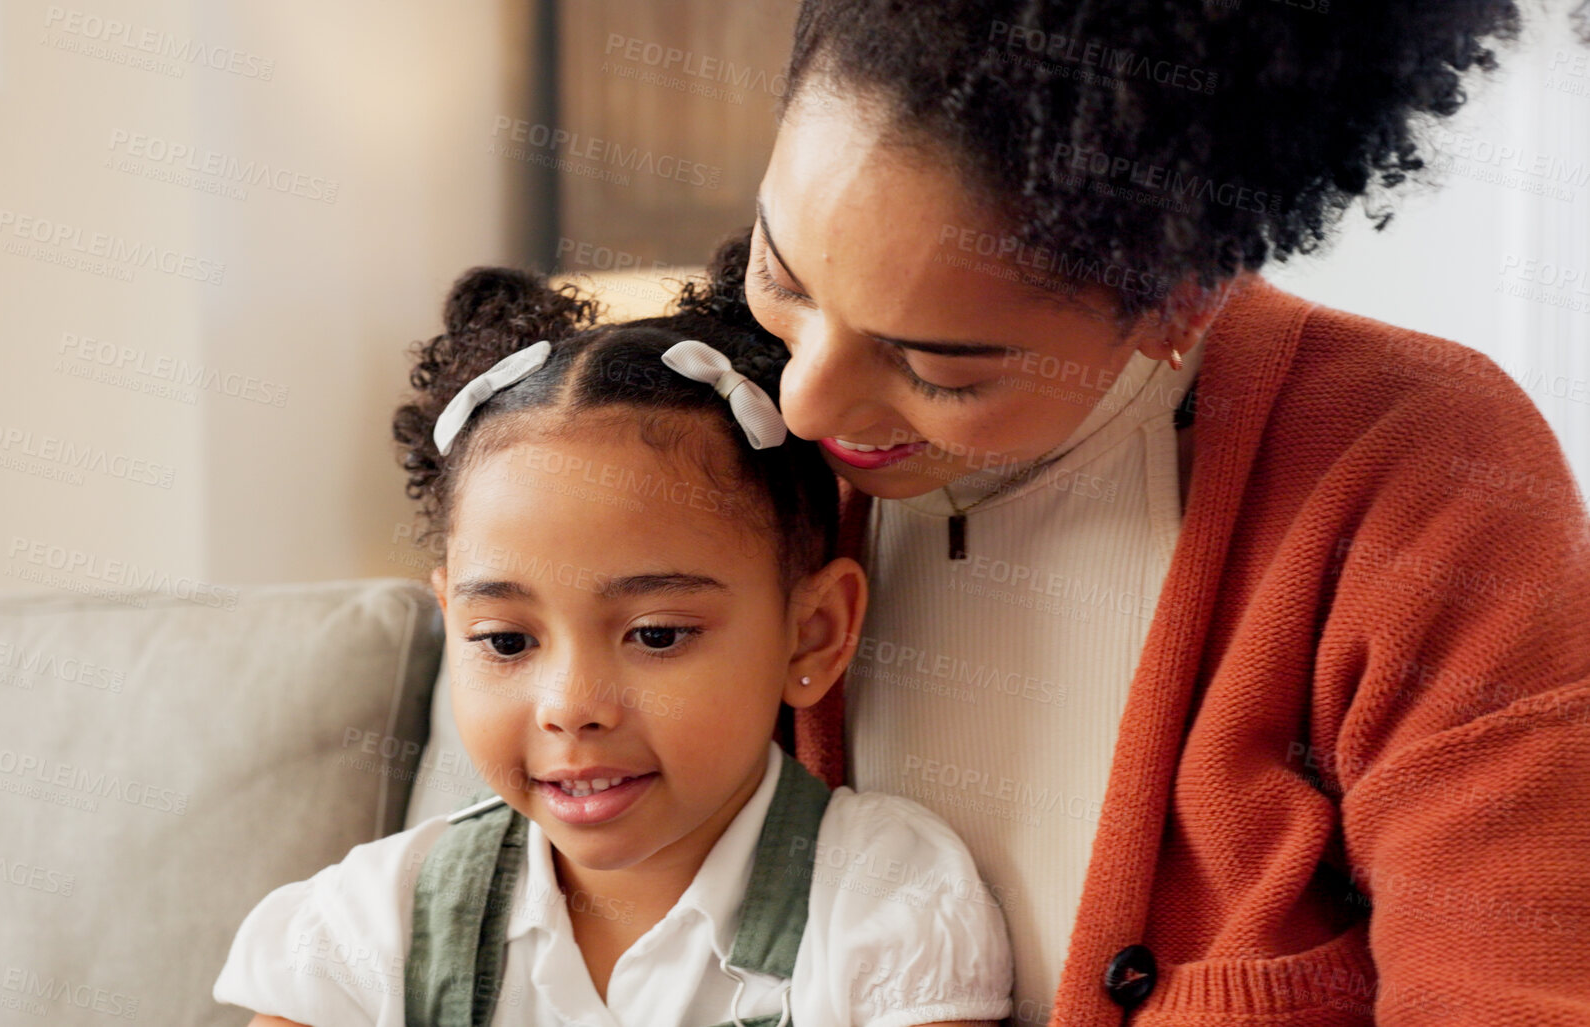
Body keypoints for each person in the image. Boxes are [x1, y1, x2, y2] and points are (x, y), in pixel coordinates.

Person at [744, 0, 1590, 1023]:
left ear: (1178, 298)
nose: (806, 403)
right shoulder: (703, 440)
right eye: (779, 277)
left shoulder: (1422, 470)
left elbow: (1511, 985)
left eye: (939, 368)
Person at [212, 267, 1015, 1026]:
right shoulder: (369, 927)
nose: (571, 705)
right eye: (504, 639)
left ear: (813, 632)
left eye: (656, 634)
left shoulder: (883, 902)